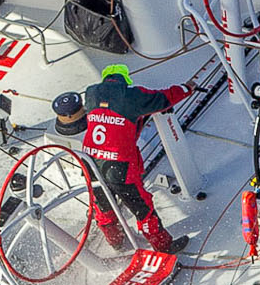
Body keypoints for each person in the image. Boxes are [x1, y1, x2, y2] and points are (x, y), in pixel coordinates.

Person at [80, 65, 191, 256]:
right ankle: (163, 247)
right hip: (119, 167)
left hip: (90, 163)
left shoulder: (91, 93)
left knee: (103, 205)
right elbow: (163, 99)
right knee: (142, 208)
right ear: (125, 80)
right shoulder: (133, 96)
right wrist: (186, 89)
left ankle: (115, 241)